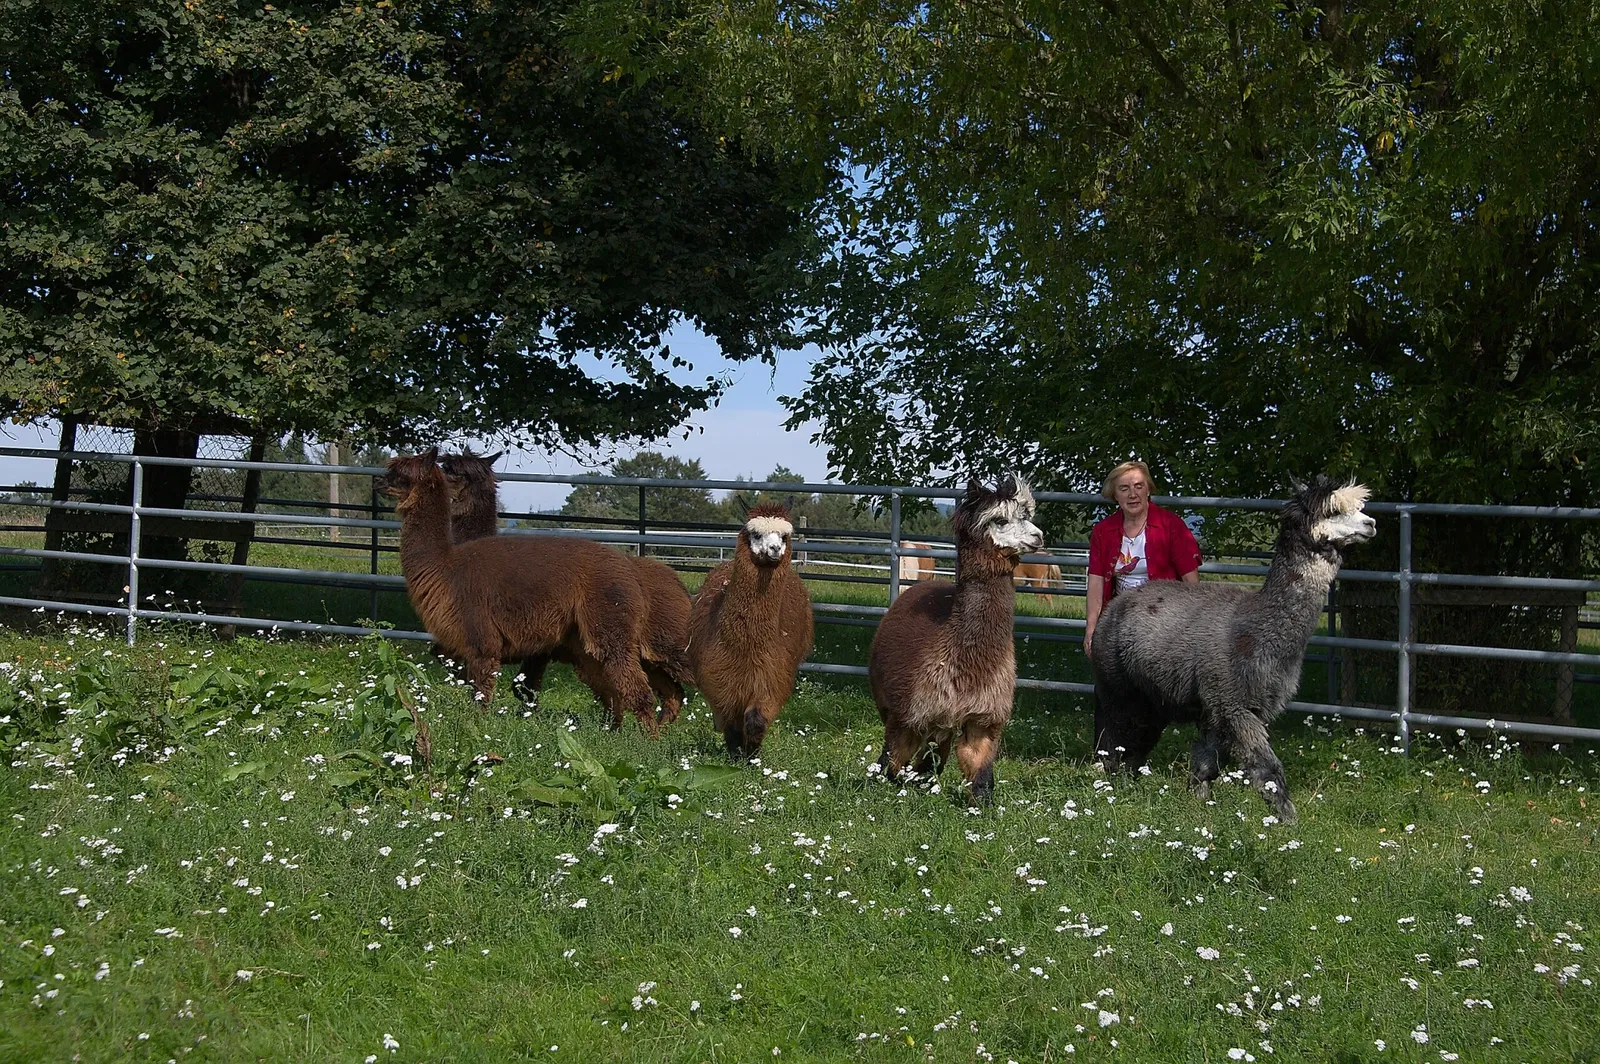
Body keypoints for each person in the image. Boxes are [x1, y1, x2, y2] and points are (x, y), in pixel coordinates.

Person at [1083, 460, 1202, 657]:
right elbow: (1096, 583)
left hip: (1165, 620)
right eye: (1124, 488)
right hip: (1118, 618)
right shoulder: (1103, 531)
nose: (1133, 494)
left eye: (1139, 486)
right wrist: (1091, 628)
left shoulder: (1171, 525)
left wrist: (1194, 627)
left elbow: (1192, 582)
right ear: (1115, 495)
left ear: (1148, 490)